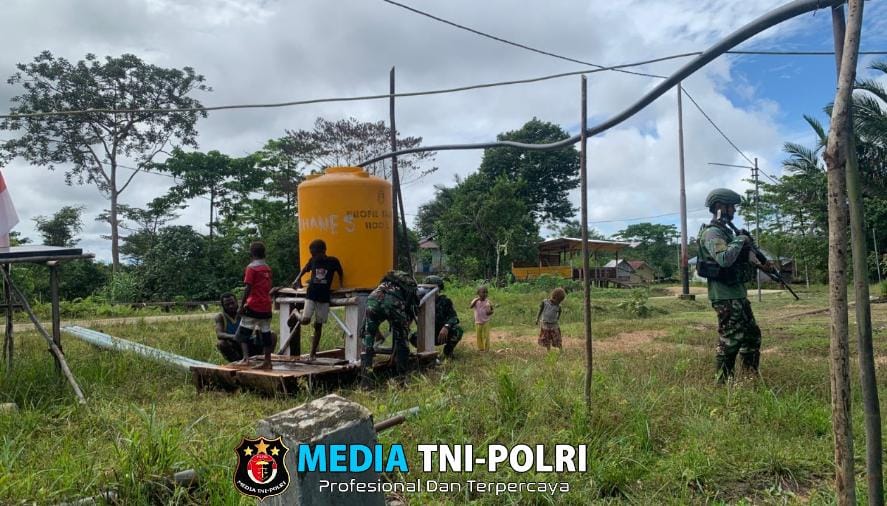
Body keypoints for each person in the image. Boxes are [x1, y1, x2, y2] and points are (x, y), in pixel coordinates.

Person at [697, 188, 763, 383]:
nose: (734, 210)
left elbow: (740, 258)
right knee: (730, 339)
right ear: (720, 207)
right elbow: (724, 259)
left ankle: (750, 376)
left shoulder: (727, 232)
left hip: (738, 294)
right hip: (725, 296)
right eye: (731, 206)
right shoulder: (712, 233)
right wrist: (741, 239)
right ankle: (722, 382)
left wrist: (759, 261)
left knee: (751, 336)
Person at [292, 239, 344, 361]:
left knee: (318, 325)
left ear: (324, 250)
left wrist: (342, 285)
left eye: (315, 253)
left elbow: (340, 272)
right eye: (312, 253)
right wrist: (296, 280)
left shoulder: (333, 261)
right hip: (311, 294)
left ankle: (312, 354)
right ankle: (295, 312)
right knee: (305, 320)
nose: (313, 255)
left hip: (324, 297)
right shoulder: (313, 260)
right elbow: (304, 270)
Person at [362, 270, 419, 374]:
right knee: (402, 340)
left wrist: (371, 330)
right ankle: (401, 376)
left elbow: (368, 321)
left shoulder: (384, 283)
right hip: (393, 303)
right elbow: (410, 312)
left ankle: (366, 376)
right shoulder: (410, 289)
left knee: (368, 339)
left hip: (372, 299)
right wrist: (404, 329)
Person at [235, 241, 276, 369]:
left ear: (251, 253)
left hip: (253, 305)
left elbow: (248, 287)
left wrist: (242, 305)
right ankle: (267, 361)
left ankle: (245, 358)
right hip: (266, 306)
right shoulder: (267, 268)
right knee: (266, 333)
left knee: (243, 333)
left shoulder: (251, 268)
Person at [411, 275, 463, 357]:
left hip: (442, 333)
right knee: (412, 337)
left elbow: (454, 317)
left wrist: (446, 326)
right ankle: (426, 353)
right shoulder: (421, 302)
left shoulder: (445, 301)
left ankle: (448, 352)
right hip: (427, 334)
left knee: (457, 330)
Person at [215, 292, 263, 362]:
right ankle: (236, 362)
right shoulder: (220, 317)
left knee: (271, 335)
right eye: (227, 305)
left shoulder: (244, 311)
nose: (231, 306)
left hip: (250, 342)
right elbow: (219, 334)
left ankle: (264, 359)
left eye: (232, 303)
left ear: (237, 302)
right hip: (234, 345)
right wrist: (236, 337)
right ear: (223, 306)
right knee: (221, 343)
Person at [469, 285, 493, 352]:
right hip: (478, 322)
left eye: (486, 292)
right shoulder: (475, 301)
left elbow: (491, 310)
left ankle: (487, 349)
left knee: (486, 336)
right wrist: (476, 300)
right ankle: (481, 348)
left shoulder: (488, 302)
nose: (485, 294)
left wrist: (490, 312)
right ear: (478, 293)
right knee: (479, 336)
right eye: (483, 292)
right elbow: (471, 306)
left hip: (486, 321)